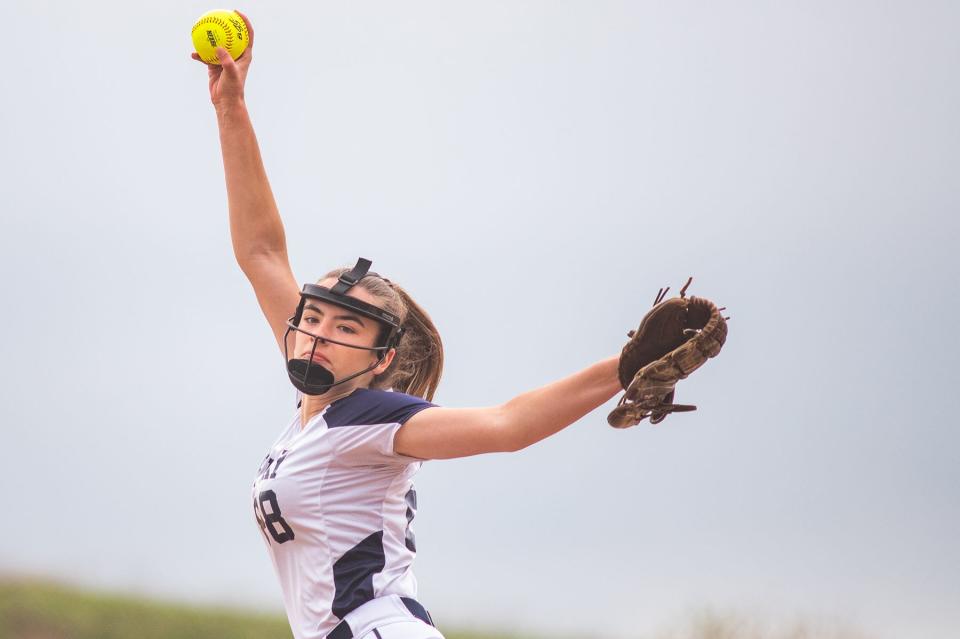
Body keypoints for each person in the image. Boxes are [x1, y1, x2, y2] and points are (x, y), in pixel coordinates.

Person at [193, 12, 623, 639]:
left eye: (347, 328)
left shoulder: (368, 416)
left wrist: (624, 366)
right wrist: (230, 107)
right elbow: (261, 252)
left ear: (382, 358)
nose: (318, 333)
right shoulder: (313, 419)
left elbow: (507, 426)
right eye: (312, 317)